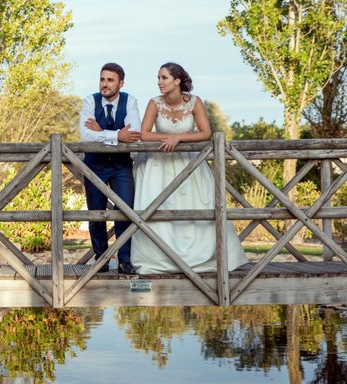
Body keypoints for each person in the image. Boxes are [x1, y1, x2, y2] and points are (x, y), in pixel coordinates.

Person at [130, 62, 247, 274]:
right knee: (158, 207)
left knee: (198, 205)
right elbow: (145, 133)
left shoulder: (194, 102)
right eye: (158, 78)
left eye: (164, 78)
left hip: (190, 163)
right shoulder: (154, 103)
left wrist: (179, 138)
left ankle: (201, 257)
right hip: (161, 163)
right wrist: (168, 139)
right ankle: (159, 258)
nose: (159, 82)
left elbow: (205, 133)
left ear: (177, 81)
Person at [80, 62, 141, 274]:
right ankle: (102, 260)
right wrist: (116, 134)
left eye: (110, 80)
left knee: (125, 210)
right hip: (94, 165)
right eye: (102, 79)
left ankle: (125, 260)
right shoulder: (90, 101)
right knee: (96, 214)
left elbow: (133, 134)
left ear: (120, 83)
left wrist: (102, 131)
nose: (104, 84)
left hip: (120, 166)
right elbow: (86, 135)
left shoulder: (130, 101)